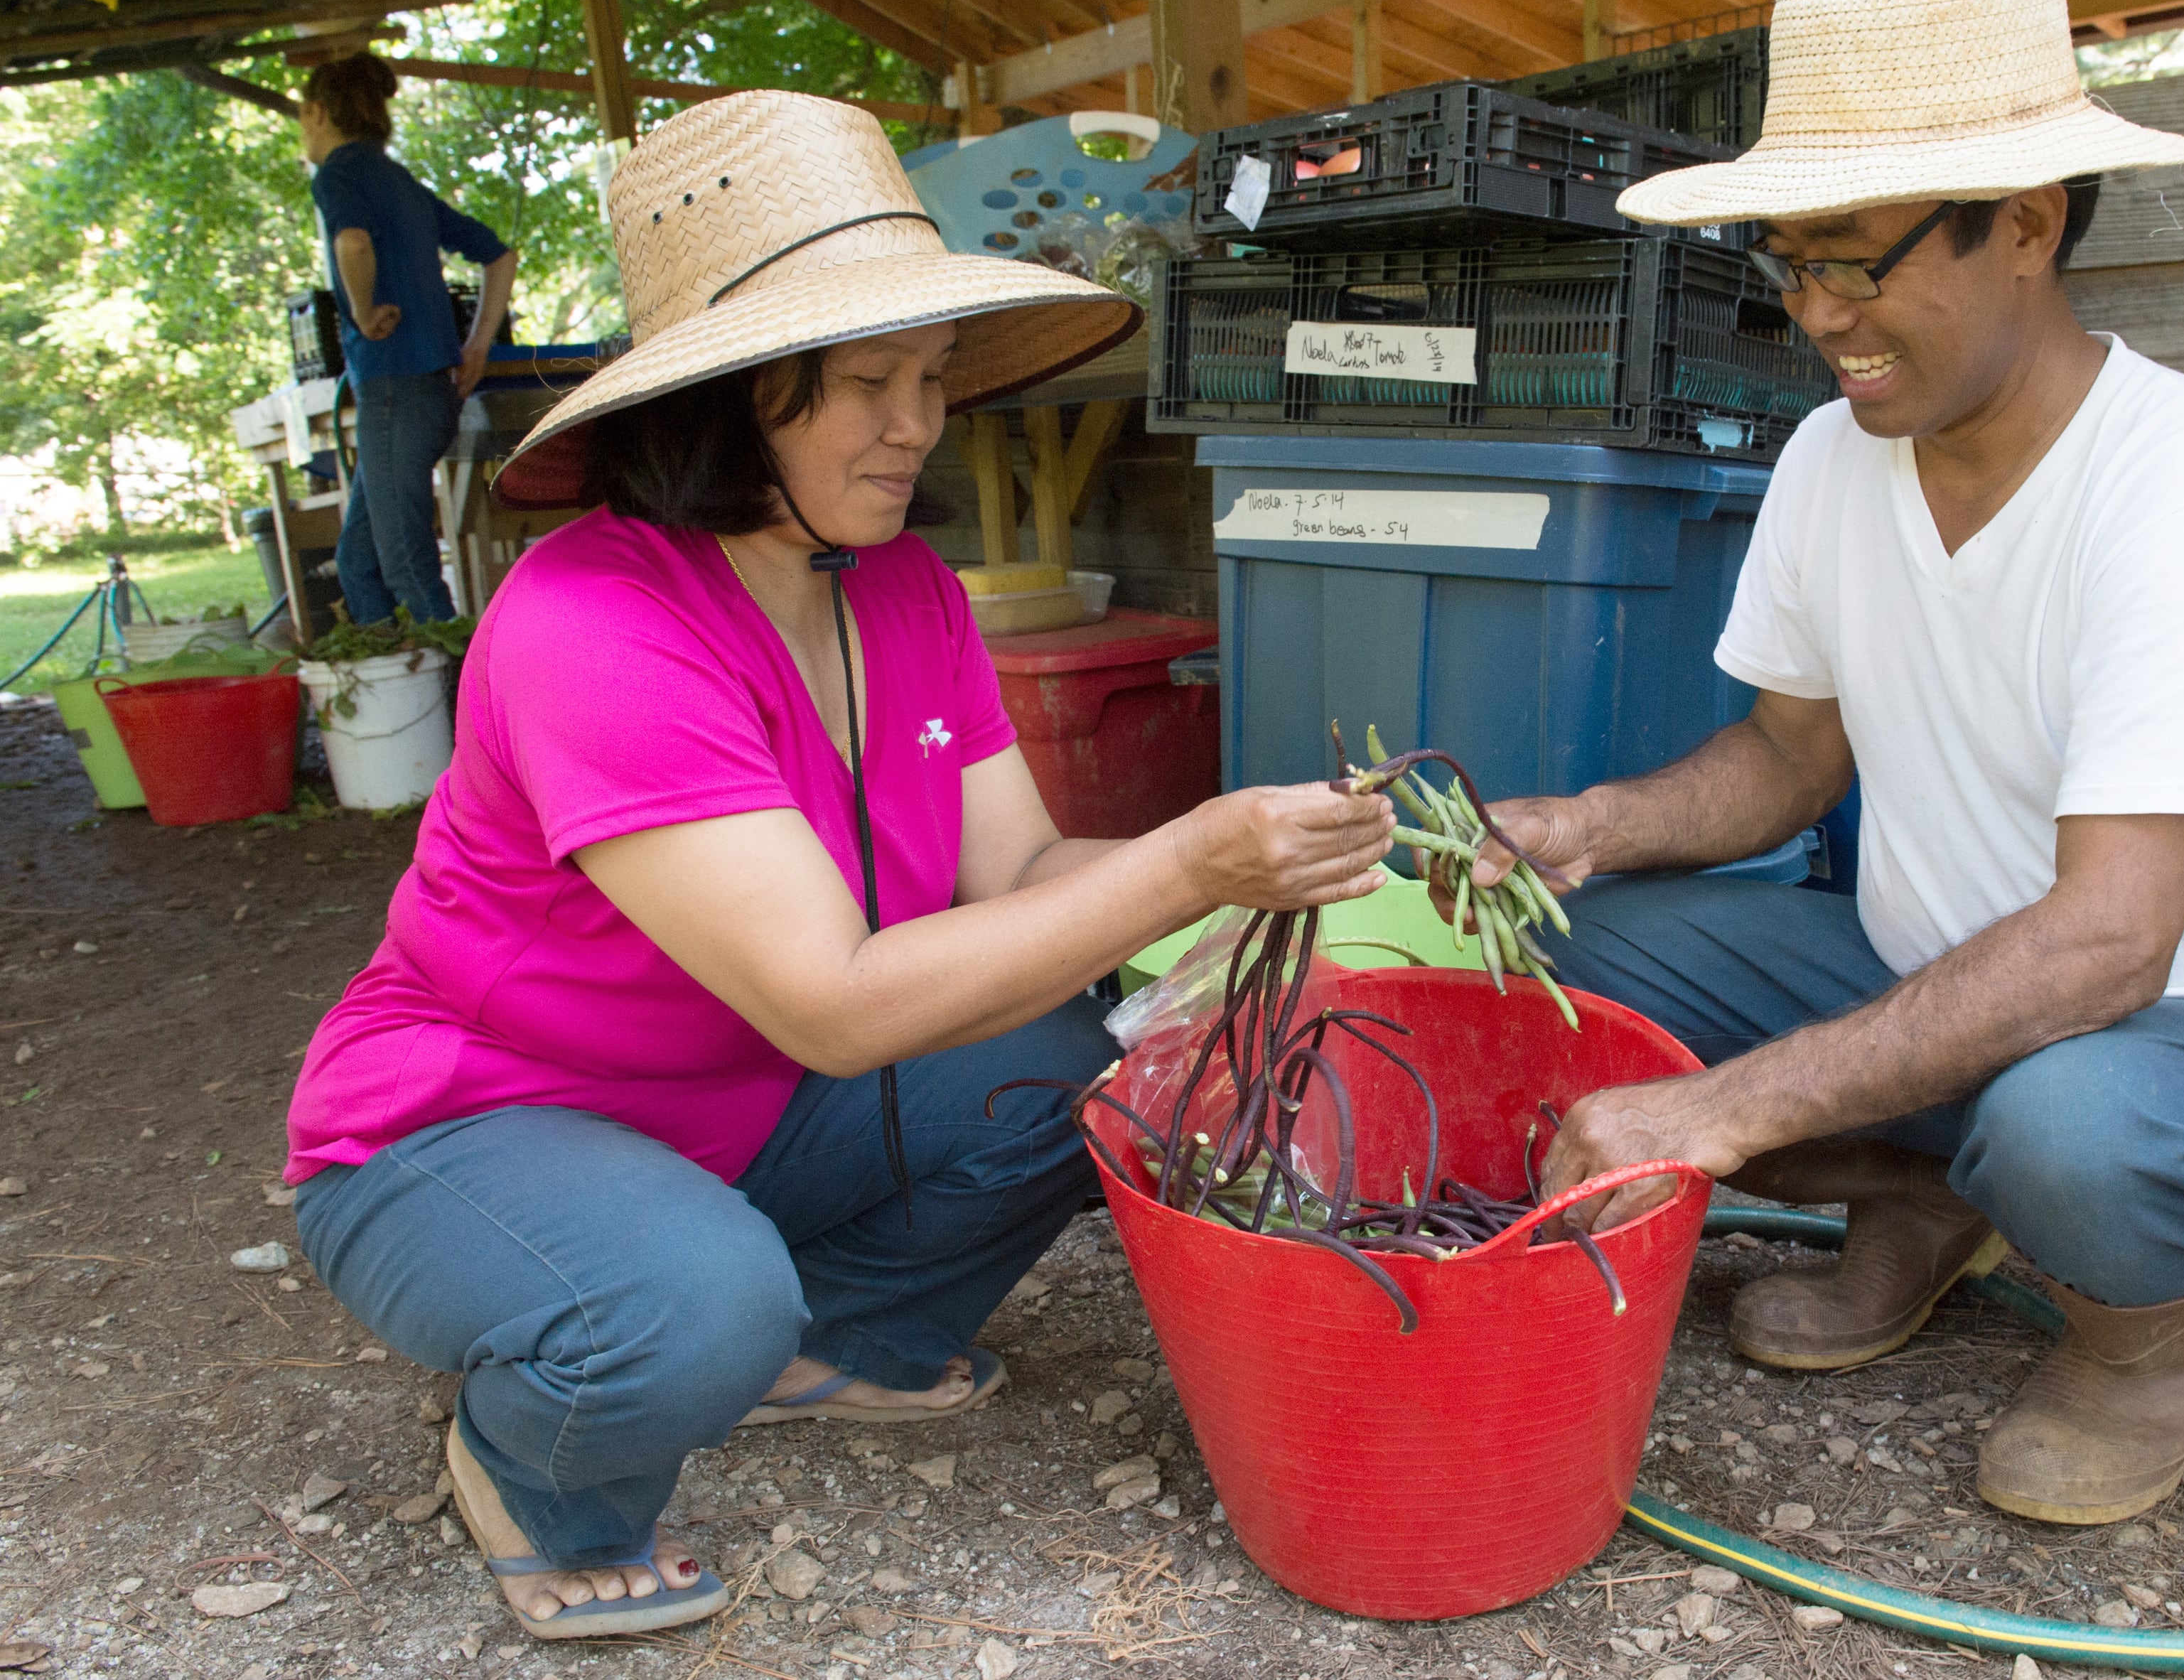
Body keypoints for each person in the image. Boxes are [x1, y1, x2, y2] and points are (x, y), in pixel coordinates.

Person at [282, 91, 1398, 1642]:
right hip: (471, 1125)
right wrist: (1199, 862)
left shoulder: (902, 588)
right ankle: (537, 1465)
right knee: (692, 1303)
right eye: (868, 383)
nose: (920, 422)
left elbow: (1021, 869)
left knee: (1109, 1059)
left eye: (930, 378)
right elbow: (832, 1004)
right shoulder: (593, 624)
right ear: (734, 402)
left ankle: (840, 1335)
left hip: (734, 1102)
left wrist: (1243, 894)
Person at [1454, 0, 2184, 1528]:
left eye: (1859, 265)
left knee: (2073, 1132)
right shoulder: (1828, 457)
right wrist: (1583, 828)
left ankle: (2153, 1336)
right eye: (1789, 265)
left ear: (2027, 223)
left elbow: (2109, 948)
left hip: (2181, 1026)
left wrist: (1724, 1109)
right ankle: (1931, 1194)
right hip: (1918, 974)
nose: (1819, 316)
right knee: (1561, 960)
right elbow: (1789, 763)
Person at [299, 52, 520, 626]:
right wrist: (477, 345)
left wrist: (363, 310)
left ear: (316, 112)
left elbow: (352, 244)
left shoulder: (341, 173)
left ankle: (458, 698)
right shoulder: (399, 181)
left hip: (394, 388)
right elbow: (499, 254)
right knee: (359, 563)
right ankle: (391, 693)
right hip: (429, 391)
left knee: (405, 564)